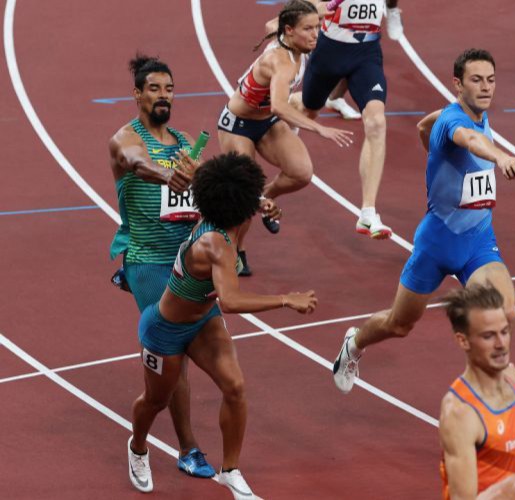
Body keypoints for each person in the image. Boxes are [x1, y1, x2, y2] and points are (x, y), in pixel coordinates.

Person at [332, 48, 515, 393]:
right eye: (476, 80)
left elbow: (424, 125)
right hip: (437, 242)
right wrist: (499, 156)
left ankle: (492, 390)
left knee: (505, 312)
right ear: (457, 85)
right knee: (399, 324)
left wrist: (436, 155)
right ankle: (354, 343)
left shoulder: (468, 116)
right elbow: (471, 140)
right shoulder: (454, 121)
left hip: (479, 240)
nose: (486, 88)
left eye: (491, 80)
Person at [127, 152, 317, 498]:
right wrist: (286, 299)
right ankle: (138, 447)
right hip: (164, 330)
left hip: (202, 321)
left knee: (235, 387)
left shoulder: (213, 209)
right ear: (239, 203)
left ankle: (229, 470)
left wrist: (261, 201)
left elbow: (208, 179)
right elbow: (230, 300)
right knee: (156, 401)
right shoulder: (216, 245)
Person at [108, 54, 215, 478]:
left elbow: (204, 187)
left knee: (204, 353)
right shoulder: (124, 139)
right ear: (137, 94)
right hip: (148, 259)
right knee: (175, 355)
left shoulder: (186, 140)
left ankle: (185, 442)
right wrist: (166, 175)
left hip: (186, 256)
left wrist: (250, 200)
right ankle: (186, 448)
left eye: (169, 89)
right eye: (154, 89)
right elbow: (137, 164)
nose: (163, 96)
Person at [218, 0, 353, 275]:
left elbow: (276, 22)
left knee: (301, 172)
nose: (316, 34)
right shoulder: (281, 62)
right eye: (308, 29)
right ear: (290, 31)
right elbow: (280, 106)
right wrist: (320, 129)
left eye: (317, 28)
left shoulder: (289, 36)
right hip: (238, 125)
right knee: (243, 197)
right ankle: (236, 250)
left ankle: (265, 198)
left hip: (265, 121)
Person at [438, 285, 515, 500]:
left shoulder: (509, 379)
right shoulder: (461, 414)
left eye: (504, 332)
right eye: (488, 336)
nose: (501, 344)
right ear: (463, 340)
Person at [302, 0, 395, 239]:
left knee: (376, 121)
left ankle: (368, 212)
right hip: (329, 52)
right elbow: (305, 4)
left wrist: (392, 11)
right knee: (309, 110)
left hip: (367, 54)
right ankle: (294, 103)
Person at [264, 1, 361, 120]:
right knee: (283, 108)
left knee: (355, 55)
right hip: (292, 54)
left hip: (317, 48)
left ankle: (335, 99)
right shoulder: (311, 3)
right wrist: (289, 47)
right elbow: (272, 25)